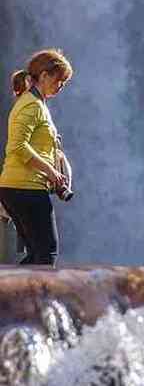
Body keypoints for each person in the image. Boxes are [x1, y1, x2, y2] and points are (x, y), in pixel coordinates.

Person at [0, 49, 73, 266]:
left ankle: (12, 287)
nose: (61, 86)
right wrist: (51, 172)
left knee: (37, 254)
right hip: (25, 187)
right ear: (44, 75)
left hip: (21, 187)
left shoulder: (35, 103)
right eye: (59, 80)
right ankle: (14, 289)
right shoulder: (31, 105)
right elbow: (17, 146)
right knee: (46, 253)